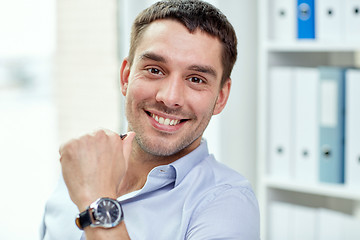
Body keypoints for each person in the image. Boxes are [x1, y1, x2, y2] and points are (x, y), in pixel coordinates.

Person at [41, 0, 260, 239]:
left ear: (221, 97)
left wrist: (99, 202)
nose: (169, 97)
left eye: (196, 79)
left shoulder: (228, 203)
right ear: (126, 77)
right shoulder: (81, 166)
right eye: (155, 70)